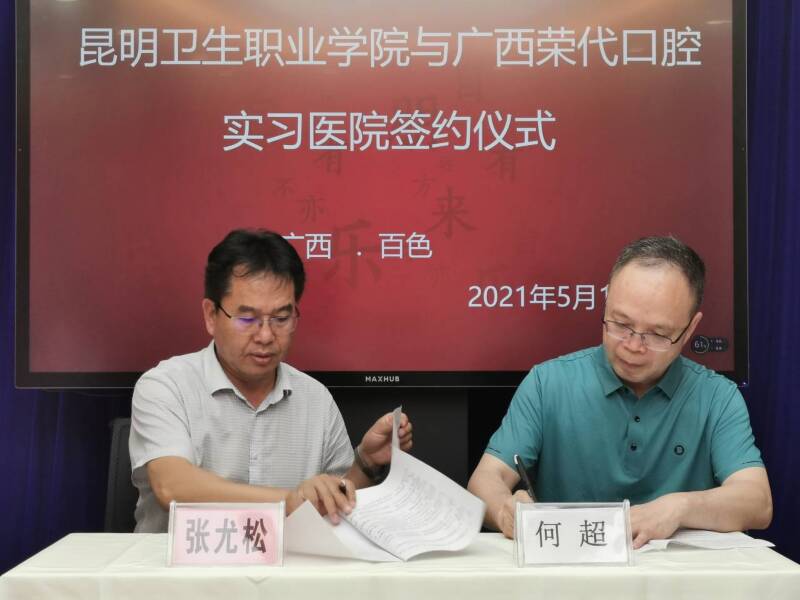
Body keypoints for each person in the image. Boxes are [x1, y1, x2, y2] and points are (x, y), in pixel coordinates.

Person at [467, 236, 772, 548]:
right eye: (621, 324)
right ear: (606, 301)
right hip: (569, 569)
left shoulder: (717, 397)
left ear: (690, 329)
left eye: (658, 334)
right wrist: (506, 511)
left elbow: (757, 501)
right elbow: (486, 479)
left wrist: (678, 508)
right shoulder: (548, 383)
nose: (633, 346)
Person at [130, 228, 412, 532]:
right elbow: (172, 486)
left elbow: (334, 507)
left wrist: (366, 464)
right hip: (177, 564)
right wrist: (289, 501)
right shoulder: (166, 386)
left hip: (287, 563)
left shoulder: (315, 399)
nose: (265, 336)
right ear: (211, 315)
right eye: (247, 318)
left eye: (280, 318)